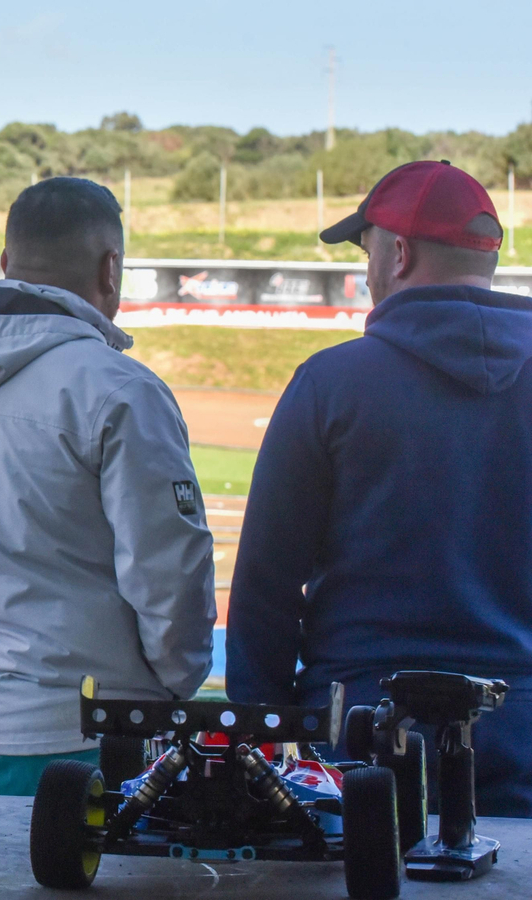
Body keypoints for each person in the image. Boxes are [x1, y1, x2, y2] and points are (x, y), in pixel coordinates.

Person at [227, 160, 532, 817]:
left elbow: (266, 589)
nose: (365, 272)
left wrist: (263, 743)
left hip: (357, 738)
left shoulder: (330, 383)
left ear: (398, 253)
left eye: (365, 250)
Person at [0, 177, 215, 796]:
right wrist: (177, 683)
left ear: (5, 265)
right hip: (85, 736)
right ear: (111, 268)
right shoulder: (120, 390)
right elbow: (169, 571)